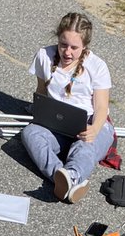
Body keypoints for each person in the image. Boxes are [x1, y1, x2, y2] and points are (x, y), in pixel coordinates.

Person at [21, 13, 114, 203]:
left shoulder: (97, 66)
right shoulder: (44, 56)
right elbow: (42, 93)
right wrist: (38, 113)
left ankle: (70, 177)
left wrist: (94, 130)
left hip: (91, 123)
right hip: (57, 125)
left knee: (84, 147)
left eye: (74, 47)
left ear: (85, 46)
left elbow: (102, 107)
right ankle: (62, 179)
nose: (67, 52)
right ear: (57, 38)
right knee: (30, 134)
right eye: (63, 45)